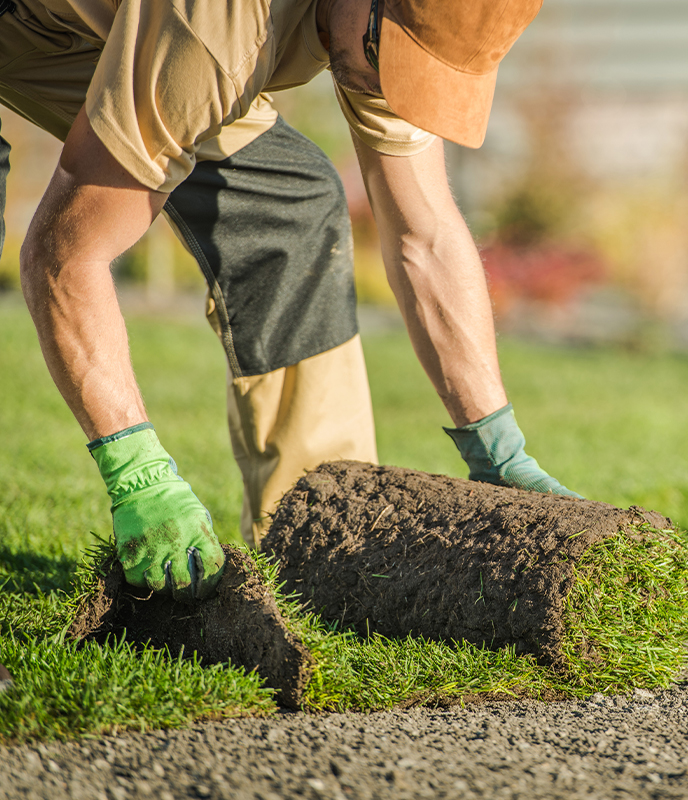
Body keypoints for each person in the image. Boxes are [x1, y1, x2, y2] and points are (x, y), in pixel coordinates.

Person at [1, 0, 580, 603]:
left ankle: (319, 559)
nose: (393, 88)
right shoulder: (218, 33)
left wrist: (499, 448)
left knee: (289, 207)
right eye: (393, 60)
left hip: (87, 30)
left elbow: (425, 235)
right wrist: (137, 473)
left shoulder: (378, 33)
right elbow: (66, 254)